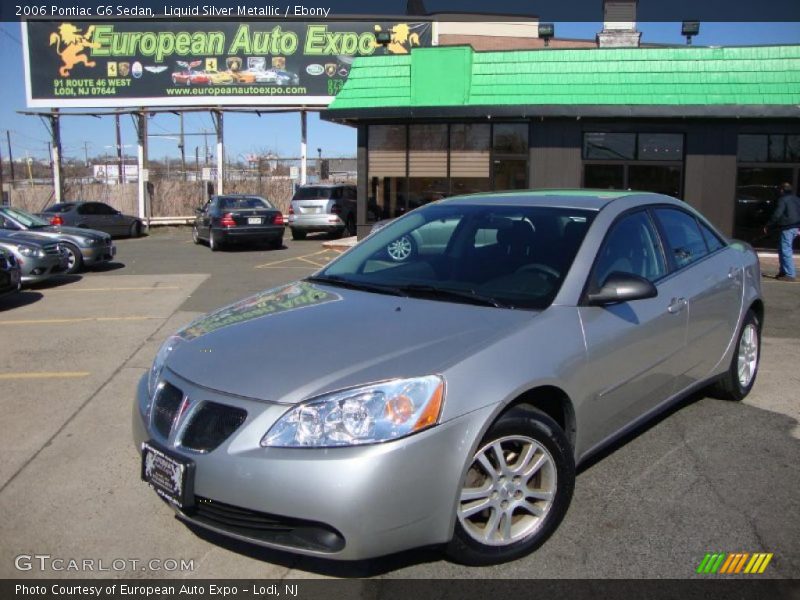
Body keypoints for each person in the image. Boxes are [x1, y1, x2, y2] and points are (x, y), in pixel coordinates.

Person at [764, 183, 800, 282]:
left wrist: (769, 224)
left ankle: (790, 274)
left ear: (782, 190)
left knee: (785, 250)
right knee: (783, 249)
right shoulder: (797, 199)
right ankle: (783, 271)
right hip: (795, 227)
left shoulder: (783, 200)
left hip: (787, 228)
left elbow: (778, 214)